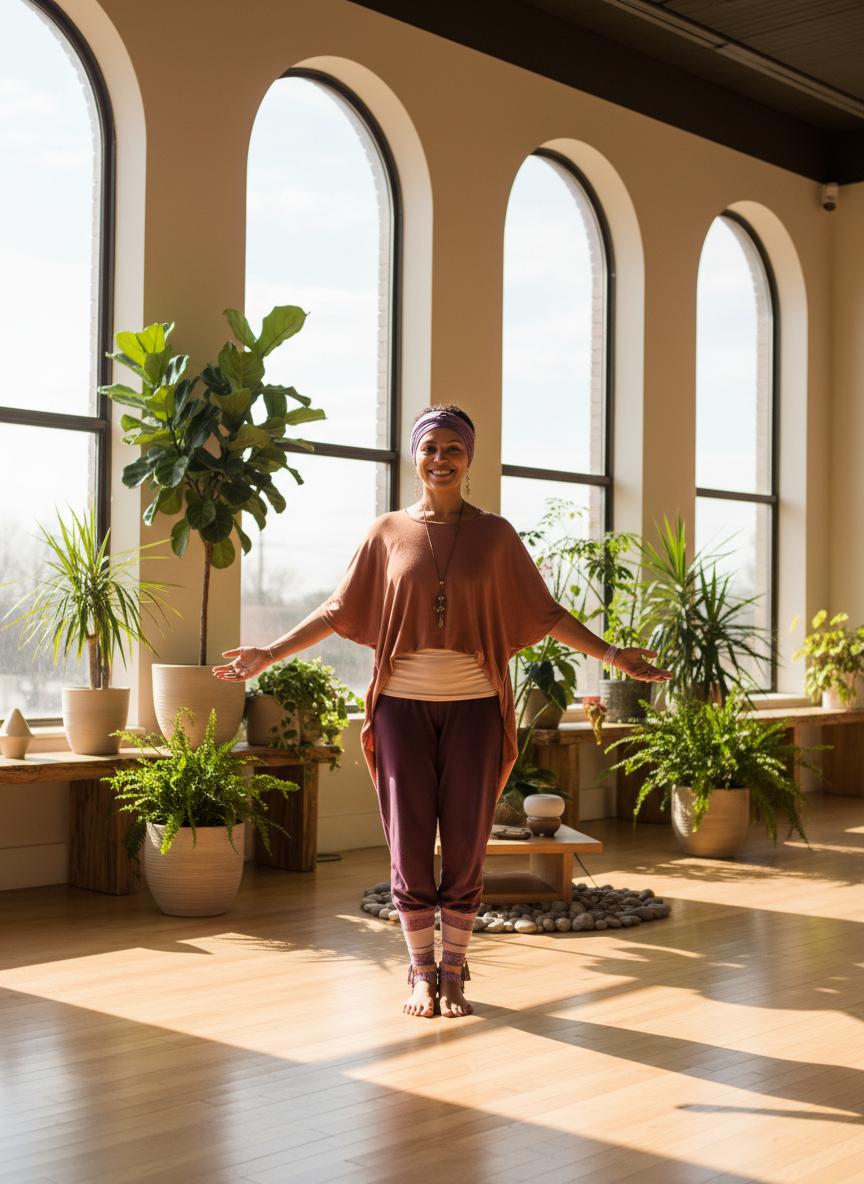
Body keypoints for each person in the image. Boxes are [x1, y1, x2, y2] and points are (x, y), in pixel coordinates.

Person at [213, 404, 671, 1019]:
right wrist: (268, 653)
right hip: (401, 710)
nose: (441, 459)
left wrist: (614, 652)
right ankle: (420, 970)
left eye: (453, 448)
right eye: (430, 448)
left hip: (476, 710)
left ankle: (454, 968)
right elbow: (336, 609)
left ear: (470, 458)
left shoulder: (496, 536)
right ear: (414, 457)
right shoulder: (386, 533)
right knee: (407, 842)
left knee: (465, 843)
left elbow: (546, 614)